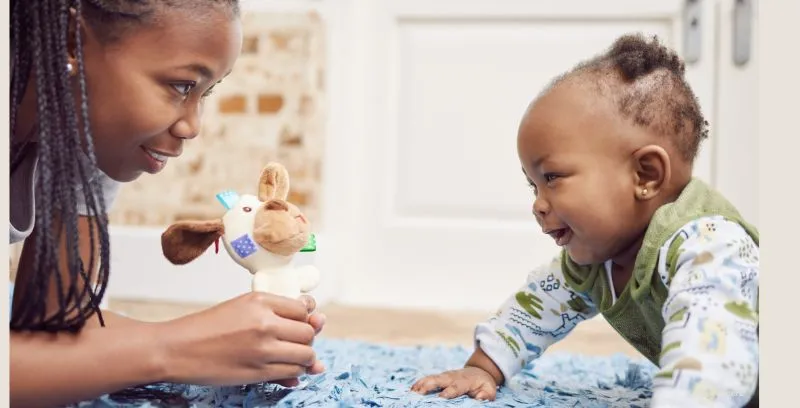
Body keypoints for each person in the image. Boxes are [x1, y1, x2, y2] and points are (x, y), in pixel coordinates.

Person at [411, 33, 759, 407]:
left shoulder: (709, 246)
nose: (538, 205)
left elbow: (710, 358)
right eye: (533, 186)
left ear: (645, 175)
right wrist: (483, 368)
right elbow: (535, 308)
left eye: (553, 178)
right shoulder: (598, 260)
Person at [9, 1, 326, 406]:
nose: (193, 126)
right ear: (72, 40)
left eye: (207, 92)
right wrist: (170, 349)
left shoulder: (85, 141)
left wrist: (229, 342)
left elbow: (53, 327)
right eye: (182, 86)